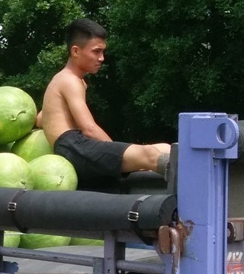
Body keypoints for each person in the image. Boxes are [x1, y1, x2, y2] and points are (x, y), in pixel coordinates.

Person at [37, 18, 170, 187]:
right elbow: (89, 128)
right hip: (73, 147)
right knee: (147, 154)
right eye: (96, 51)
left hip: (75, 146)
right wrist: (116, 151)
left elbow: (41, 118)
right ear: (76, 51)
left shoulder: (66, 80)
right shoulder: (69, 80)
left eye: (102, 52)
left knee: (165, 148)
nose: (101, 58)